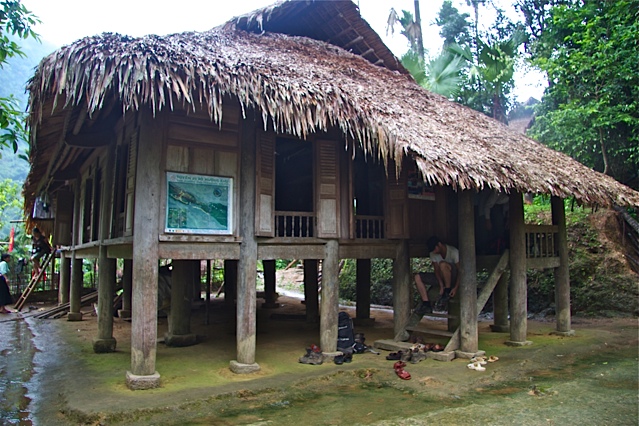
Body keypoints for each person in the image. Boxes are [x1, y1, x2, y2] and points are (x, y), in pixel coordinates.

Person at [413, 236, 460, 314]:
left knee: (442, 264)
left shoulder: (453, 252)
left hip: (453, 277)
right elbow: (437, 271)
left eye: (435, 249)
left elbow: (460, 271)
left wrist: (455, 288)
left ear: (439, 244)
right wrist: (441, 285)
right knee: (417, 277)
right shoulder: (433, 254)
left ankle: (447, 291)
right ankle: (426, 304)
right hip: (442, 278)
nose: (434, 252)